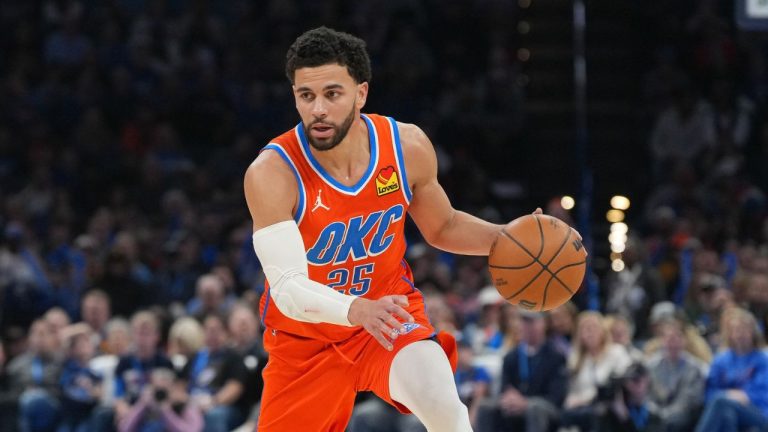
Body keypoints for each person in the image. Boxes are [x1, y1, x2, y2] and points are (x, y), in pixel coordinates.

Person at [243, 26, 582, 431]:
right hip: (306, 341)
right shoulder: (272, 172)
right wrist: (355, 309)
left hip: (388, 316)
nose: (318, 109)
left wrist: (510, 239)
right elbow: (287, 290)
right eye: (306, 95)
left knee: (447, 411)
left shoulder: (406, 147)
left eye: (332, 94)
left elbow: (443, 225)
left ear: (361, 93)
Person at [475, 310, 567, 432]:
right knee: (485, 407)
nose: (527, 326)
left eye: (532, 322)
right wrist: (510, 399)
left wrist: (525, 402)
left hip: (545, 407)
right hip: (516, 404)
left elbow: (556, 397)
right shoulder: (511, 357)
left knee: (535, 408)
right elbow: (504, 388)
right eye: (524, 322)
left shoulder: (555, 356)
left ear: (544, 324)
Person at [695, 307, 768, 432]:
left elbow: (763, 394)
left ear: (753, 332)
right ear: (730, 334)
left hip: (758, 413)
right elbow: (709, 393)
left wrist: (746, 396)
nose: (741, 334)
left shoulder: (763, 360)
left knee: (722, 401)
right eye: (736, 330)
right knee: (727, 414)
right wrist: (730, 396)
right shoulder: (720, 360)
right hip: (726, 408)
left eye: (745, 330)